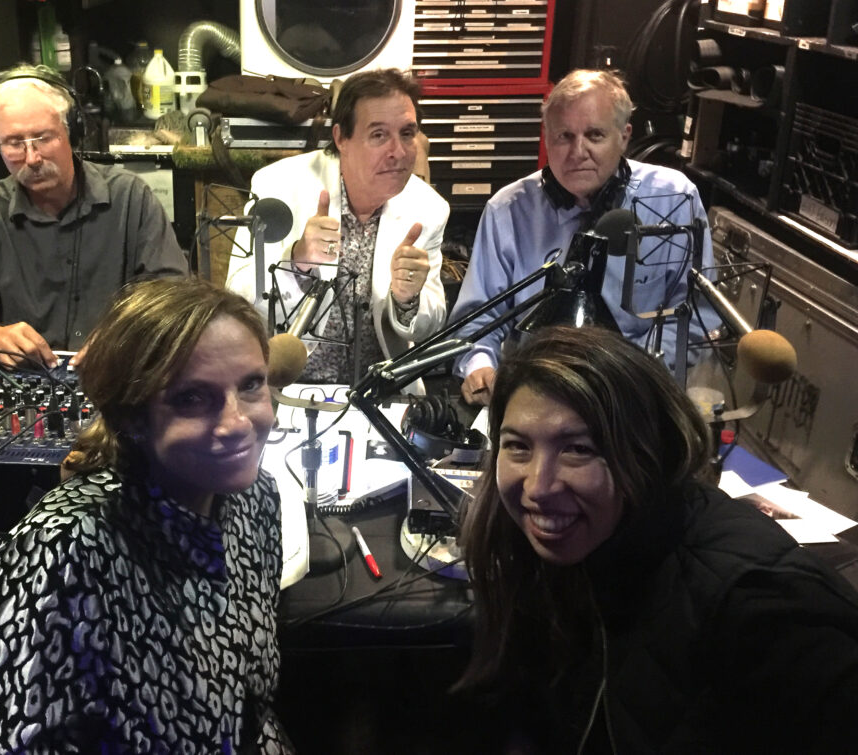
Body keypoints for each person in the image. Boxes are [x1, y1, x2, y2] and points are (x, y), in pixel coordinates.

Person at [0, 278, 293, 753]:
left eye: (251, 385)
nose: (238, 423)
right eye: (193, 399)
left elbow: (247, 706)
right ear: (132, 418)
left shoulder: (256, 499)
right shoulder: (59, 553)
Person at [456, 325, 858, 753]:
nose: (538, 487)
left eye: (578, 449)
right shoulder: (571, 547)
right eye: (518, 446)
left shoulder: (764, 609)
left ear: (646, 452)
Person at [449, 69, 718, 405]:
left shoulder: (674, 199)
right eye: (564, 136)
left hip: (637, 391)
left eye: (594, 135)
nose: (578, 151)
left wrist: (624, 377)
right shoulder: (507, 209)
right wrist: (480, 366)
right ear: (546, 138)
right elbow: (478, 321)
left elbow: (697, 315)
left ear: (624, 136)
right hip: (536, 392)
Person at [0, 63, 189, 369]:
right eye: (14, 143)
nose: (32, 158)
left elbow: (175, 294)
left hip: (117, 374)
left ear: (72, 131)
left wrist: (126, 334)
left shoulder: (130, 199)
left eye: (44, 138)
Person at [226, 68, 450, 389]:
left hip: (378, 391)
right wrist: (297, 260)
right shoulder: (277, 185)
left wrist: (407, 299)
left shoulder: (428, 208)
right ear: (341, 138)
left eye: (406, 133)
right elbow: (237, 300)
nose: (398, 152)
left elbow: (429, 322)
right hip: (287, 386)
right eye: (378, 135)